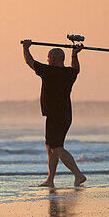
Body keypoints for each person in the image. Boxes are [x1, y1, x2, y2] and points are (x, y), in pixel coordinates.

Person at [22, 39, 86, 187]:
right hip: (62, 116)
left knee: (56, 148)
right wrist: (74, 55)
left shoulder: (49, 71)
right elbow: (76, 68)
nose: (47, 61)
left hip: (56, 116)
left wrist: (26, 48)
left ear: (54, 59)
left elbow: (29, 62)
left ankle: (78, 174)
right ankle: (50, 180)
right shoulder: (69, 73)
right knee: (50, 146)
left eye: (49, 59)